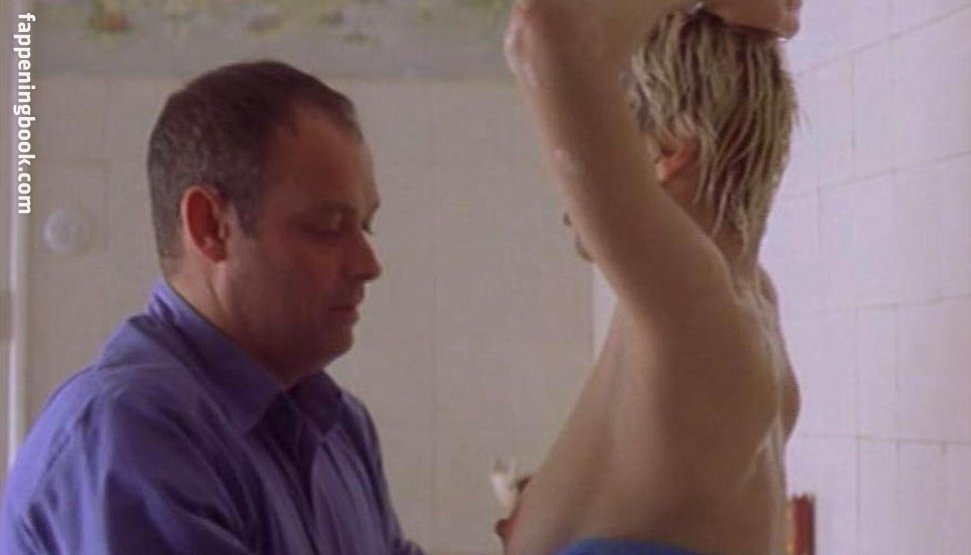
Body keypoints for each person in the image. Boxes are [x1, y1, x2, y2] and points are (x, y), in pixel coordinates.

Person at [0, 61, 424, 555]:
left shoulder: (341, 426)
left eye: (365, 227)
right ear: (210, 226)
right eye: (328, 227)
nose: (368, 265)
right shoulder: (131, 431)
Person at [499, 1, 801, 554]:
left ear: (666, 151)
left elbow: (542, 33)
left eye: (605, 147)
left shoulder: (696, 305)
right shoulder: (752, 304)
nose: (572, 198)